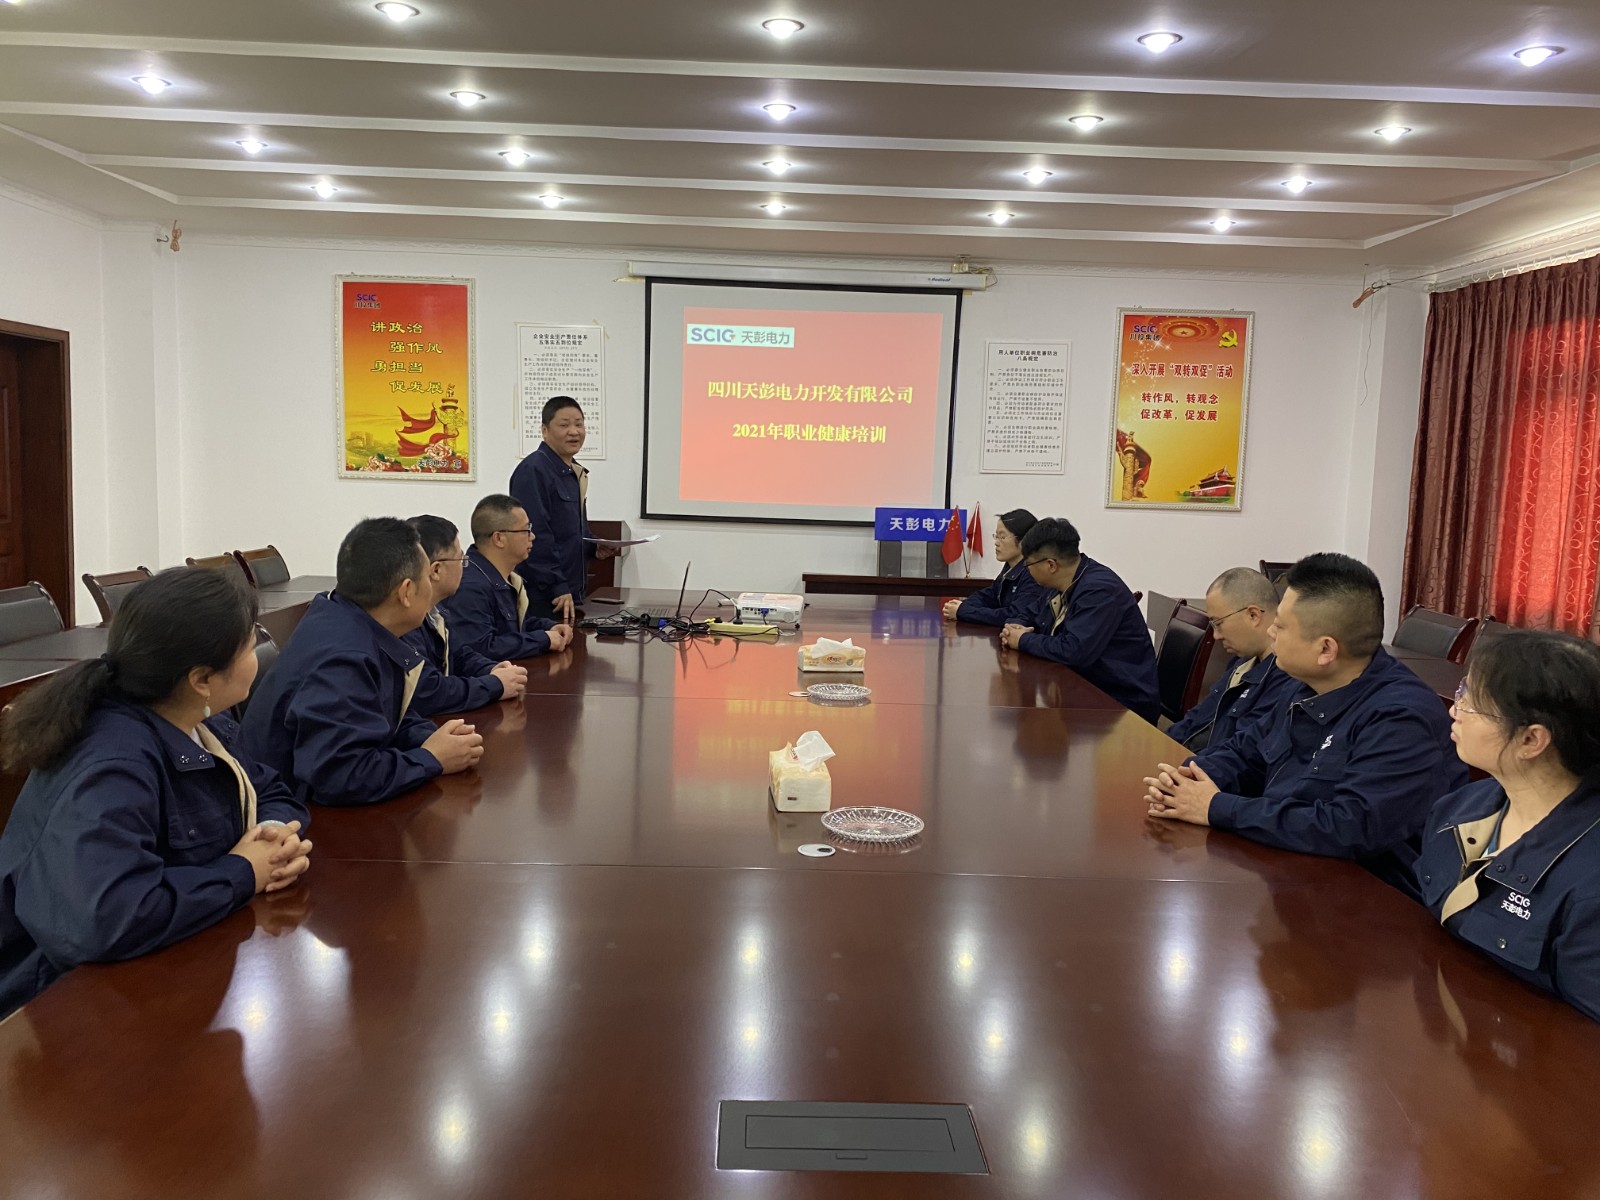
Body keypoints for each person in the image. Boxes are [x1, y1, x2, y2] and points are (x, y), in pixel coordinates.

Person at [0, 567, 312, 1018]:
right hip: (58, 1005)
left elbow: (267, 786)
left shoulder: (199, 720)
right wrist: (244, 871)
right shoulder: (114, 765)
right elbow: (108, 918)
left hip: (159, 968)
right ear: (201, 679)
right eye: (249, 644)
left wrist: (273, 834)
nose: (257, 653)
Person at [1146, 552, 1468, 889]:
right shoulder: (1303, 685)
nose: (1270, 632)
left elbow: (1347, 828)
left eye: (1281, 626)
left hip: (1368, 894)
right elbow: (1248, 751)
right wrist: (1186, 778)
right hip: (1288, 866)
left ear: (1326, 649)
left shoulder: (1401, 718)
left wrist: (1216, 807)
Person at [1414, 631, 1600, 1022]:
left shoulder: (1589, 883)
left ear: (1532, 740)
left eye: (1472, 702)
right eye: (1461, 691)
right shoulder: (1458, 809)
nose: (1455, 710)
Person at [240, 517, 484, 806]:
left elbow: (384, 714)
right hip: (291, 814)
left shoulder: (345, 616)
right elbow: (341, 776)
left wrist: (432, 737)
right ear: (406, 592)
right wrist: (431, 758)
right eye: (426, 579)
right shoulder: (343, 659)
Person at [999, 517, 1160, 722]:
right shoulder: (1060, 583)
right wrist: (1015, 626)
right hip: (1084, 688)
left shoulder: (1099, 590)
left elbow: (1074, 651)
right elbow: (1030, 613)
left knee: (1031, 721)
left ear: (1050, 565)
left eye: (1028, 564)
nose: (1027, 570)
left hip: (1121, 705)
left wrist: (1022, 640)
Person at [403, 514, 528, 715]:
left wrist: (491, 669)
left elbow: (459, 654)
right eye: (461, 559)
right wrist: (494, 685)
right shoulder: (405, 622)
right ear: (436, 570)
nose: (464, 567)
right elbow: (428, 691)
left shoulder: (436, 611)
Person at [509, 395, 616, 624]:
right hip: (544, 595)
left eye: (579, 424)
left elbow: (568, 528)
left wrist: (593, 546)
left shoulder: (572, 472)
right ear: (544, 430)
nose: (574, 432)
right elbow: (535, 535)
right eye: (564, 425)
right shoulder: (534, 470)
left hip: (570, 590)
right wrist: (556, 585)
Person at [1165, 566, 1296, 752]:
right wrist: (1162, 745)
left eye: (1218, 623)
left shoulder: (1284, 677)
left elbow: (1240, 752)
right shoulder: (1242, 661)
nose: (1216, 636)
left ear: (1253, 615)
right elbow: (1198, 716)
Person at [442, 493, 576, 662]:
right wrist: (543, 639)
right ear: (499, 538)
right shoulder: (470, 586)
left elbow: (518, 625)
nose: (532, 536)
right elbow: (482, 647)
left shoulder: (508, 577)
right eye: (526, 530)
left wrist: (550, 627)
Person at [942, 508, 1048, 627]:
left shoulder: (1033, 573)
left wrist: (964, 611)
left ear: (1024, 541)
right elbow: (989, 595)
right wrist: (963, 605)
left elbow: (1013, 615)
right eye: (996, 536)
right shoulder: (1010, 567)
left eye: (1002, 537)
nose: (996, 542)